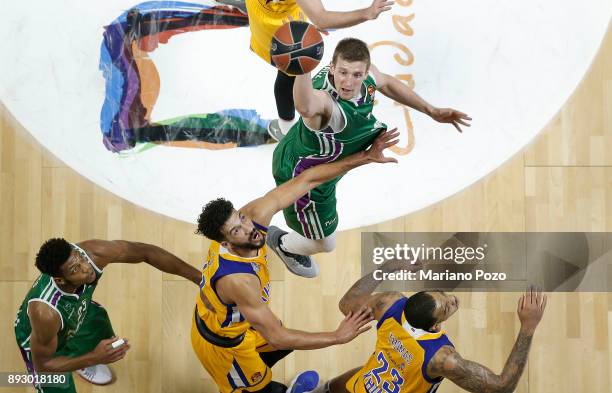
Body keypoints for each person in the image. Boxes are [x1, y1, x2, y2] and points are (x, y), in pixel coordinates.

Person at [191, 131, 399, 393]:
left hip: (239, 322)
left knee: (284, 342)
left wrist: (365, 157)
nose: (248, 228)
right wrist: (337, 337)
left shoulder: (254, 216)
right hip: (224, 347)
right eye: (236, 231)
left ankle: (260, 374)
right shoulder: (240, 281)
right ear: (226, 244)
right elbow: (275, 336)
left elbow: (307, 179)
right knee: (267, 382)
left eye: (240, 218)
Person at [269, 38, 472, 275]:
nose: (348, 82)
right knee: (325, 243)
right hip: (306, 177)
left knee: (325, 238)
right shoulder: (328, 107)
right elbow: (305, 106)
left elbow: (386, 82)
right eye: (342, 72)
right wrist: (302, 67)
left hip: (313, 151)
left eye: (357, 75)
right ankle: (282, 244)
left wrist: (432, 111)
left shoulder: (365, 79)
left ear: (366, 72)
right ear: (332, 67)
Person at [312, 260, 547, 393]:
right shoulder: (441, 358)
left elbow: (347, 303)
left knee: (348, 380)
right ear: (435, 325)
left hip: (361, 387)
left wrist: (386, 268)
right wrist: (528, 327)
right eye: (447, 306)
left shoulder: (388, 305)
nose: (452, 300)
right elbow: (501, 388)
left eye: (444, 295)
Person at [13, 238, 202, 392]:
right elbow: (44, 365)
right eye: (75, 269)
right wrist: (94, 358)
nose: (86, 267)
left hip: (79, 313)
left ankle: (80, 360)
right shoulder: (46, 313)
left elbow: (146, 252)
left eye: (79, 257)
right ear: (59, 279)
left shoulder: (92, 254)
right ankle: (81, 361)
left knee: (100, 323)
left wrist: (201, 280)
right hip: (45, 343)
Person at [244, 0, 394, 139]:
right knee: (288, 75)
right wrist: (366, 13)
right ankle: (286, 130)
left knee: (285, 73)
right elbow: (321, 18)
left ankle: (285, 126)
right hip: (281, 33)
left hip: (263, 23)